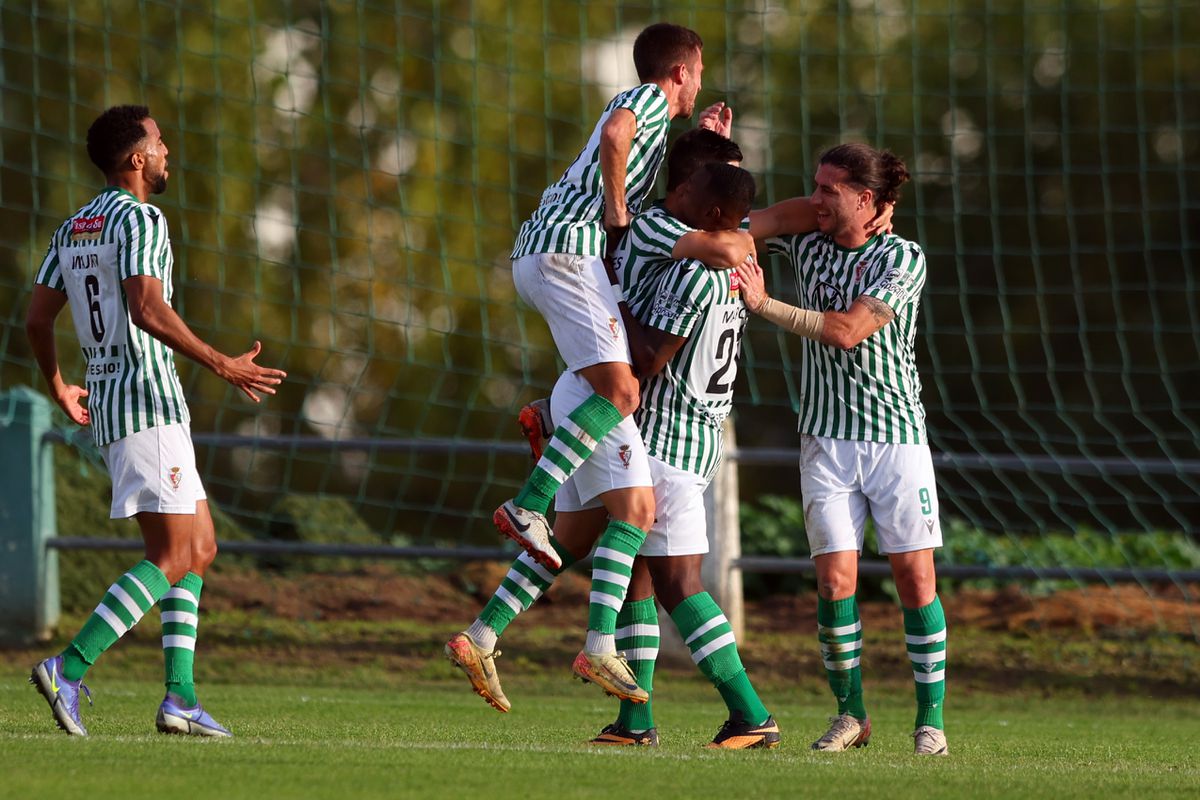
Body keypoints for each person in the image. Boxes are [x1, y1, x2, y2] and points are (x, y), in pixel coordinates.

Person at [493, 23, 741, 698]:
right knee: (625, 398)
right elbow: (616, 141)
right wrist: (619, 212)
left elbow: (647, 158)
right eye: (700, 75)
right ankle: (530, 501)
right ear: (683, 72)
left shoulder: (655, 120)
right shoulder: (650, 103)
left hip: (544, 250)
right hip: (568, 251)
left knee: (612, 488)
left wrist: (711, 147)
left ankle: (503, 633)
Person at [24, 105, 286, 737]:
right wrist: (223, 363)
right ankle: (70, 665)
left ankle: (180, 700)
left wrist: (59, 385)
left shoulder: (73, 227)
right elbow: (145, 306)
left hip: (122, 402)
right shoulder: (141, 218)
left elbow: (37, 318)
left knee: (200, 548)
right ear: (137, 159)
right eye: (160, 142)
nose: (169, 152)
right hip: (146, 400)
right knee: (172, 554)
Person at [735, 143, 948, 756]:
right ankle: (850, 715)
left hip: (896, 441)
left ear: (868, 200)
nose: (817, 197)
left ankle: (929, 721)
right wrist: (730, 174)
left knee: (915, 580)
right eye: (816, 186)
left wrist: (765, 304)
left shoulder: (902, 257)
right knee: (833, 583)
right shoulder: (809, 243)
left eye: (831, 189)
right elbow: (755, 225)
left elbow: (847, 331)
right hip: (825, 442)